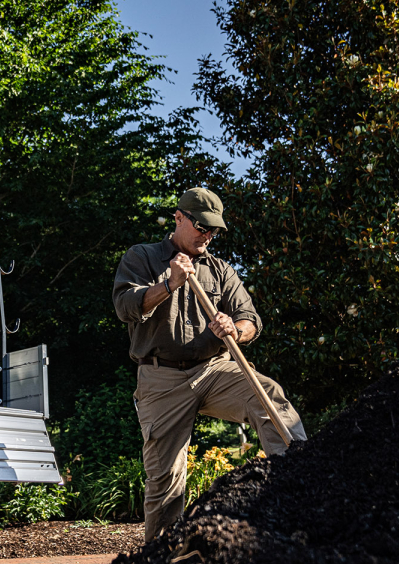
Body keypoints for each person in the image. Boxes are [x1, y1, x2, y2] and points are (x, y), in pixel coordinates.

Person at [112, 187, 307, 543]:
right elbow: (126, 306)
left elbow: (251, 319)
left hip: (214, 370)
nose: (208, 236)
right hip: (162, 376)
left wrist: (236, 329)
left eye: (214, 230)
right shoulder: (143, 257)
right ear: (179, 218)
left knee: (267, 394)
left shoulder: (219, 270)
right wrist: (170, 284)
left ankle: (299, 485)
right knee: (165, 480)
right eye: (202, 227)